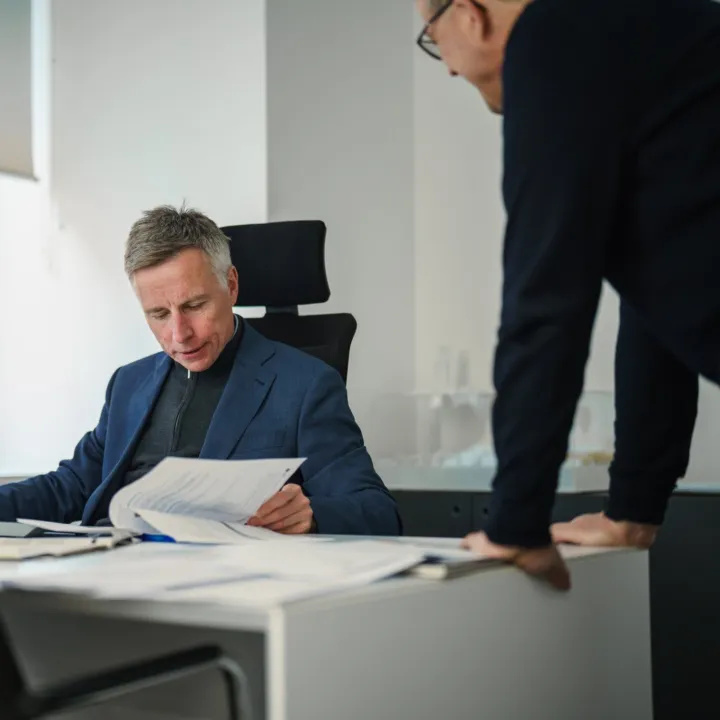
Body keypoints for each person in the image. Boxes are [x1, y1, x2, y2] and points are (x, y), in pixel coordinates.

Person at [415, 0, 720, 589]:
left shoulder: (551, 41)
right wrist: (634, 507)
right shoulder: (629, 38)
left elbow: (545, 299)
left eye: (434, 38)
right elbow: (653, 301)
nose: (449, 69)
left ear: (471, 13)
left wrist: (515, 522)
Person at [0, 205, 401, 536]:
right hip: (107, 566)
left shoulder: (306, 385)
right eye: (158, 314)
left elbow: (378, 512)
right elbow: (70, 486)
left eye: (193, 306)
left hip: (214, 579)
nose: (179, 334)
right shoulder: (129, 383)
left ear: (231, 286)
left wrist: (311, 514)